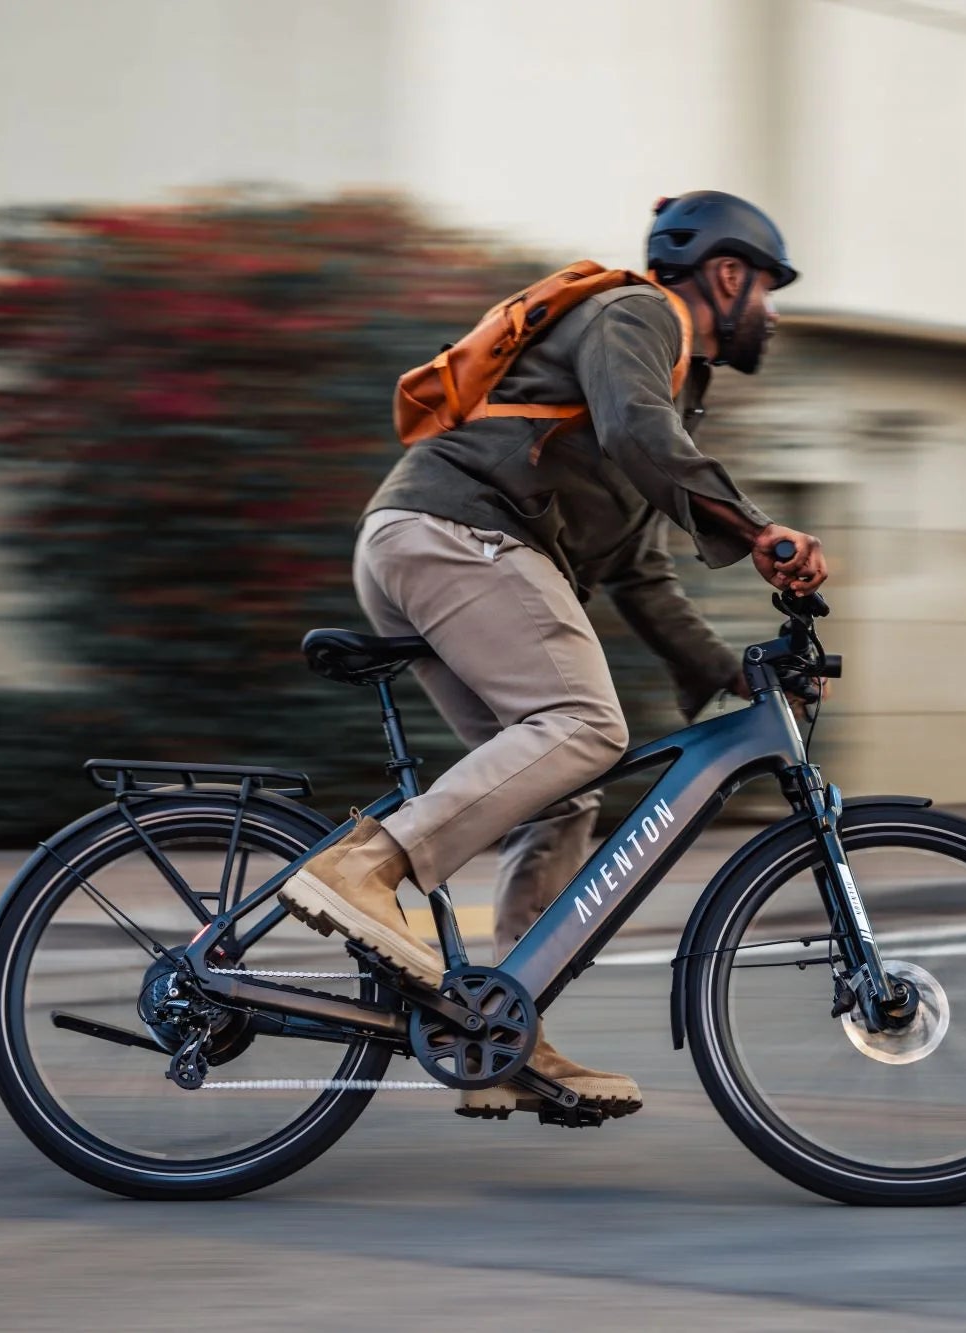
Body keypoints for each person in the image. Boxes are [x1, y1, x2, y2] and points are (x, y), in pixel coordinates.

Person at [279, 191, 829, 1119]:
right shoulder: (639, 313)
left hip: (437, 542)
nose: (771, 313)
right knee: (585, 723)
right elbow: (639, 435)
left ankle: (495, 1033)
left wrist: (729, 672)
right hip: (456, 533)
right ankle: (367, 866)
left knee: (562, 786)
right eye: (769, 290)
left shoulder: (669, 382)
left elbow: (640, 572)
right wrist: (755, 528)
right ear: (728, 275)